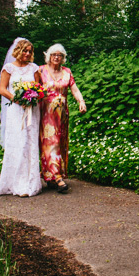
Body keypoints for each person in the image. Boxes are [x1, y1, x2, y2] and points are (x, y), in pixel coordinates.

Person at [0, 38, 43, 198]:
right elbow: (2, 89)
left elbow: (38, 88)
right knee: (17, 142)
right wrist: (17, 99)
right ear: (18, 51)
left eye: (30, 51)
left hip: (31, 111)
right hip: (15, 110)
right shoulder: (8, 68)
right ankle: (13, 182)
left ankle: (30, 183)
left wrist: (33, 97)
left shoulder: (34, 68)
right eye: (25, 50)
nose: (27, 54)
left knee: (30, 142)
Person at [38, 43, 86, 193]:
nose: (56, 57)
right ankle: (57, 177)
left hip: (62, 115)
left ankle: (49, 177)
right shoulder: (41, 71)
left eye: (60, 55)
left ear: (63, 58)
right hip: (46, 113)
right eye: (54, 55)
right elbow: (32, 89)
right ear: (49, 56)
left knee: (60, 143)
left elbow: (74, 88)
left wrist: (81, 101)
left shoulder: (67, 72)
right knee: (50, 143)